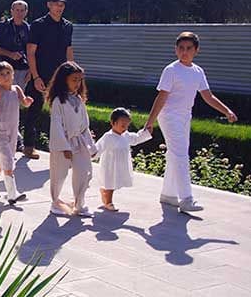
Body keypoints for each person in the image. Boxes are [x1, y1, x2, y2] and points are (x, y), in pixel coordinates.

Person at [145, 31, 237, 212]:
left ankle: (168, 195)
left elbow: (207, 96)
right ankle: (186, 199)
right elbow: (161, 97)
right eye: (181, 48)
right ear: (175, 50)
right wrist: (150, 121)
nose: (184, 52)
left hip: (185, 117)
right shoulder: (171, 70)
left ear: (196, 50)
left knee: (175, 154)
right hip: (169, 116)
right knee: (180, 155)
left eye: (188, 48)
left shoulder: (198, 71)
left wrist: (226, 110)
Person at [24, 0, 74, 160]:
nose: (59, 8)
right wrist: (35, 76)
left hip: (60, 75)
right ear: (49, 5)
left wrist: (72, 73)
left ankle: (63, 147)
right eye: (56, 4)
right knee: (34, 110)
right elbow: (30, 52)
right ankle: (29, 146)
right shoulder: (38, 25)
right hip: (41, 74)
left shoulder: (68, 26)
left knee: (63, 111)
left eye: (62, 5)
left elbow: (68, 49)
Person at [46, 61, 96, 217]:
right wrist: (64, 146)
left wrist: (91, 146)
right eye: (74, 79)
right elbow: (56, 125)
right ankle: (55, 202)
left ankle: (79, 204)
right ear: (64, 80)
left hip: (79, 141)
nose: (77, 83)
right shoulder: (57, 102)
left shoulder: (79, 100)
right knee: (59, 173)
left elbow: (84, 126)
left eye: (79, 79)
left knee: (84, 171)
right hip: (63, 143)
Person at [0, 0, 31, 151]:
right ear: (11, 11)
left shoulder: (27, 28)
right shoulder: (4, 26)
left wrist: (31, 70)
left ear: (26, 12)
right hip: (4, 71)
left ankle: (14, 137)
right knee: (1, 103)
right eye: (17, 10)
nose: (19, 13)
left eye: (22, 10)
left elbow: (32, 50)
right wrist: (10, 54)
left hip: (22, 70)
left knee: (15, 104)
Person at [0, 62, 34, 204]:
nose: (6, 76)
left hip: (13, 130)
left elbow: (23, 101)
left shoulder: (16, 89)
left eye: (8, 73)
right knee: (8, 160)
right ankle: (12, 194)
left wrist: (27, 101)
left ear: (13, 74)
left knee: (1, 160)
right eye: (2, 74)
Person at [95, 108, 152, 211]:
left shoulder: (126, 135)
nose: (125, 128)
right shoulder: (108, 136)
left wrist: (146, 133)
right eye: (122, 125)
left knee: (114, 183)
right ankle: (109, 202)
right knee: (110, 183)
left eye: (127, 126)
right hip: (110, 166)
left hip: (120, 165)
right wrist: (91, 153)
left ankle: (104, 193)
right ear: (113, 123)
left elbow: (136, 138)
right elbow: (98, 147)